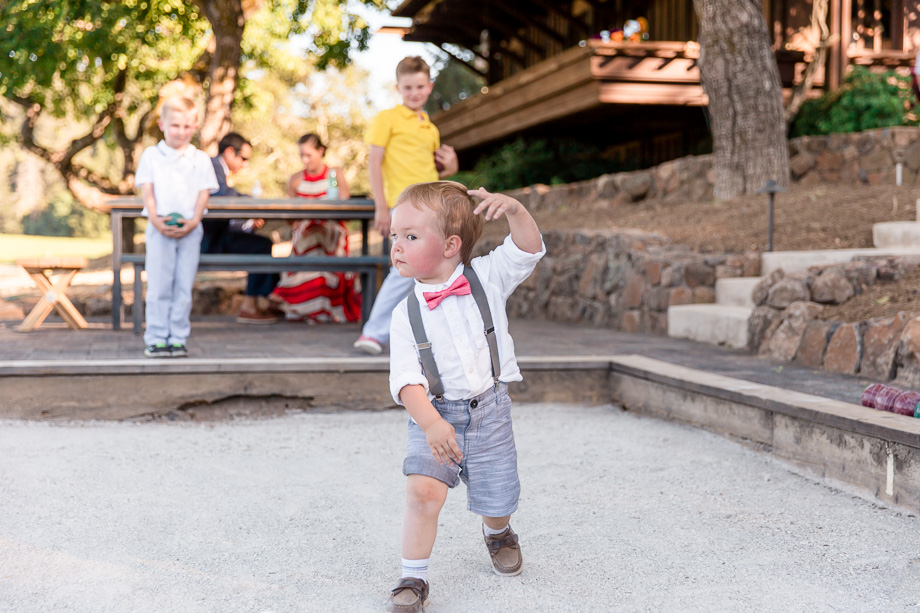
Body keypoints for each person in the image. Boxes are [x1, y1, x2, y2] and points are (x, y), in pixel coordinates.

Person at [383, 181, 545, 612]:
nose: (396, 246)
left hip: (490, 411)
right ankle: (413, 576)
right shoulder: (405, 313)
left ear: (451, 245)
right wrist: (432, 424)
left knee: (497, 498)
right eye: (394, 237)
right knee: (422, 494)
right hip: (433, 414)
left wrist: (514, 210)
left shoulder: (487, 278)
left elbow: (528, 250)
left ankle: (498, 532)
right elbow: (406, 380)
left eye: (410, 237)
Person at [352, 56, 459, 354]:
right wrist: (382, 207)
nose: (415, 92)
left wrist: (452, 167)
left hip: (433, 206)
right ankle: (373, 334)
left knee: (438, 268)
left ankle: (429, 337)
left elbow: (435, 173)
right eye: (408, 87)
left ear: (430, 86)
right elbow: (375, 162)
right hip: (402, 206)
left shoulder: (430, 128)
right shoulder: (387, 118)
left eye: (420, 86)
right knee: (402, 269)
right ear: (398, 87)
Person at [135, 96, 219, 358]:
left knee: (183, 286)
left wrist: (194, 221)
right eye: (175, 126)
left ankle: (178, 336)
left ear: (194, 127)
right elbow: (148, 191)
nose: (180, 132)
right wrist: (156, 219)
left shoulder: (200, 159)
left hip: (190, 230)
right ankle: (156, 337)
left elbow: (203, 193)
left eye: (186, 126)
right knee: (159, 285)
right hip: (159, 228)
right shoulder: (151, 156)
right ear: (161, 124)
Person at [270, 133, 362, 322]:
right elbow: (290, 219)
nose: (305, 160)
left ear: (321, 151)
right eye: (301, 155)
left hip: (332, 230)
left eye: (309, 155)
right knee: (310, 233)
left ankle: (294, 295)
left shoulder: (335, 175)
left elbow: (346, 209)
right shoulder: (295, 180)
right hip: (305, 234)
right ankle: (309, 307)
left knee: (322, 233)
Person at [202, 132, 281, 324]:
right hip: (206, 240)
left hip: (216, 235)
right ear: (229, 152)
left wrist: (246, 224)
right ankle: (251, 306)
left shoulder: (219, 171)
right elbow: (222, 198)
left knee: (261, 244)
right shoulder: (212, 166)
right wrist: (251, 203)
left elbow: (221, 212)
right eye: (243, 158)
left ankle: (263, 301)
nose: (245, 164)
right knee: (261, 247)